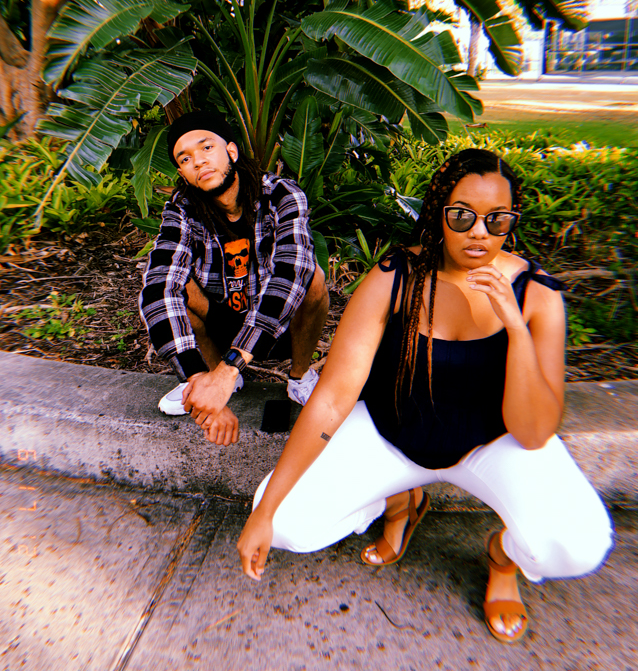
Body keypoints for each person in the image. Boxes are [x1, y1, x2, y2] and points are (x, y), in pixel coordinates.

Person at [236, 148, 613, 644]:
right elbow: (331, 400)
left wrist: (517, 330)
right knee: (284, 522)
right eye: (462, 216)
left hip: (489, 444)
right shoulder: (396, 277)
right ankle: (402, 502)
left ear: (511, 222)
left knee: (579, 545)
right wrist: (262, 513)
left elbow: (535, 430)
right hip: (391, 433)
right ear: (440, 212)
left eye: (497, 220)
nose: (479, 232)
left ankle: (503, 559)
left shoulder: (536, 293)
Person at [139, 109, 329, 446]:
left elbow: (291, 272)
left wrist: (232, 367)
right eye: (185, 158)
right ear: (182, 172)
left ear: (231, 151)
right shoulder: (182, 208)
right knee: (176, 283)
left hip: (277, 323)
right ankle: (209, 376)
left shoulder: (282, 195)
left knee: (311, 276)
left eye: (206, 148)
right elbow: (158, 287)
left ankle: (299, 378)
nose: (198, 160)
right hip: (220, 322)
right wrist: (201, 380)